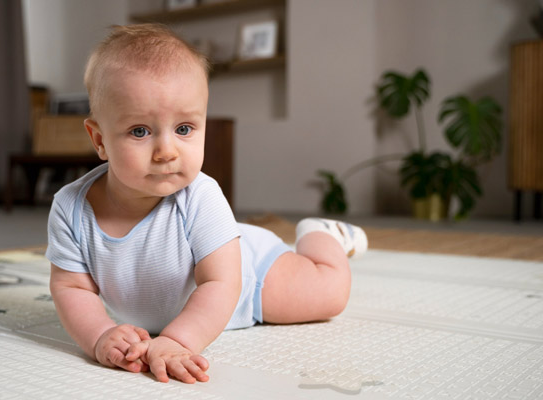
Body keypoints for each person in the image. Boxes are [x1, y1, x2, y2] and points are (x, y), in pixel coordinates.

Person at [46, 24, 368, 385]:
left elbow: (220, 282)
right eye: (140, 131)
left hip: (247, 277)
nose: (167, 151)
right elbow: (72, 288)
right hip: (202, 270)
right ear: (99, 139)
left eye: (184, 129)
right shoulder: (71, 208)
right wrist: (100, 335)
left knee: (330, 294)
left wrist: (177, 341)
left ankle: (322, 236)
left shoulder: (200, 195)